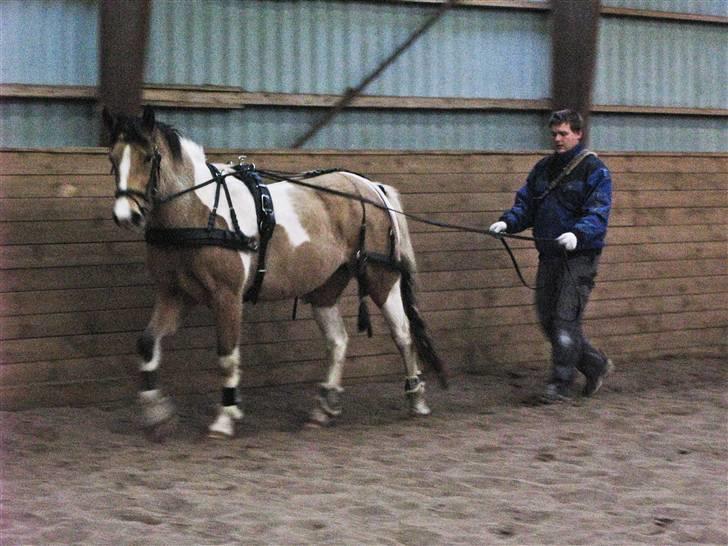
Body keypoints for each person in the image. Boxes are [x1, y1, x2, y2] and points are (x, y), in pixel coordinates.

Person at [489, 109, 613, 402]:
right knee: (547, 318)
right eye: (554, 134)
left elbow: (598, 212)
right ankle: (595, 364)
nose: (557, 139)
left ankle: (560, 384)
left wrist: (578, 234)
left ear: (578, 134)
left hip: (579, 258)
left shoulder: (595, 170)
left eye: (563, 133)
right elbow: (527, 205)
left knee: (565, 319)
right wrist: (508, 222)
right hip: (550, 256)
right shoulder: (542, 169)